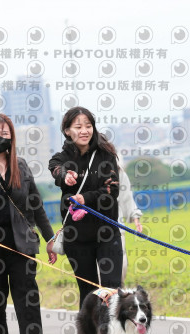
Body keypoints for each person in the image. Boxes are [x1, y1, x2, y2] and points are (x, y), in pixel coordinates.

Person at [0, 113, 58, 334]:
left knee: (28, 296)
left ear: (12, 137)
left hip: (22, 243)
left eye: (5, 133)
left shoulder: (20, 166)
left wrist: (50, 238)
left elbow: (36, 205)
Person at [48, 106, 123, 309]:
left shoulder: (106, 155)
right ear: (67, 131)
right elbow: (57, 170)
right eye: (78, 126)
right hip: (77, 239)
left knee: (111, 291)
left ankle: (114, 331)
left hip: (107, 234)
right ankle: (88, 331)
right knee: (88, 293)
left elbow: (111, 190)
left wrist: (84, 199)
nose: (84, 131)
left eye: (88, 126)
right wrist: (66, 176)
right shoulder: (61, 159)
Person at [116, 164, 143, 284]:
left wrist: (134, 216)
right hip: (88, 229)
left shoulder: (117, 171)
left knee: (121, 268)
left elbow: (126, 197)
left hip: (116, 228)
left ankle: (116, 292)